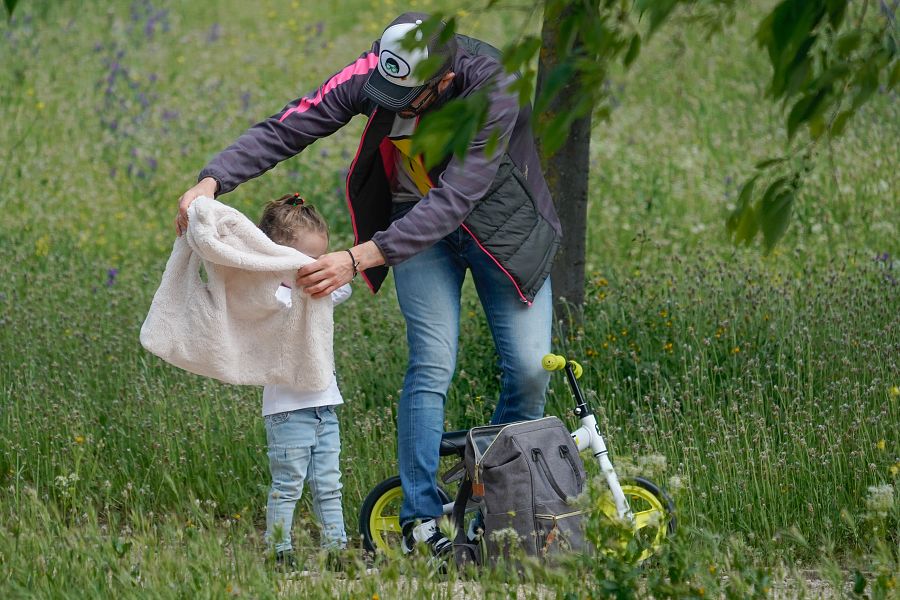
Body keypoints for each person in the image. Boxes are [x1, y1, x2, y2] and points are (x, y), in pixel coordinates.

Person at [175, 12, 561, 561]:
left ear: (443, 83)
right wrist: (212, 180)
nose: (388, 104)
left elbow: (457, 197)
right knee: (431, 362)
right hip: (412, 225)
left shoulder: (496, 88)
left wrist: (356, 258)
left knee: (527, 369)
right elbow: (291, 124)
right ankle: (422, 521)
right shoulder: (381, 70)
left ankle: (493, 503)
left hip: (503, 230)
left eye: (405, 98)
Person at [256, 193, 352, 569]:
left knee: (330, 483)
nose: (312, 268)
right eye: (304, 260)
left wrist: (330, 269)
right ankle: (279, 551)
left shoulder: (319, 293)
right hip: (287, 409)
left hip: (324, 404)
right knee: (288, 485)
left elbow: (343, 288)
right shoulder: (273, 293)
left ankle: (336, 550)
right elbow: (272, 304)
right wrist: (284, 277)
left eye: (319, 259)